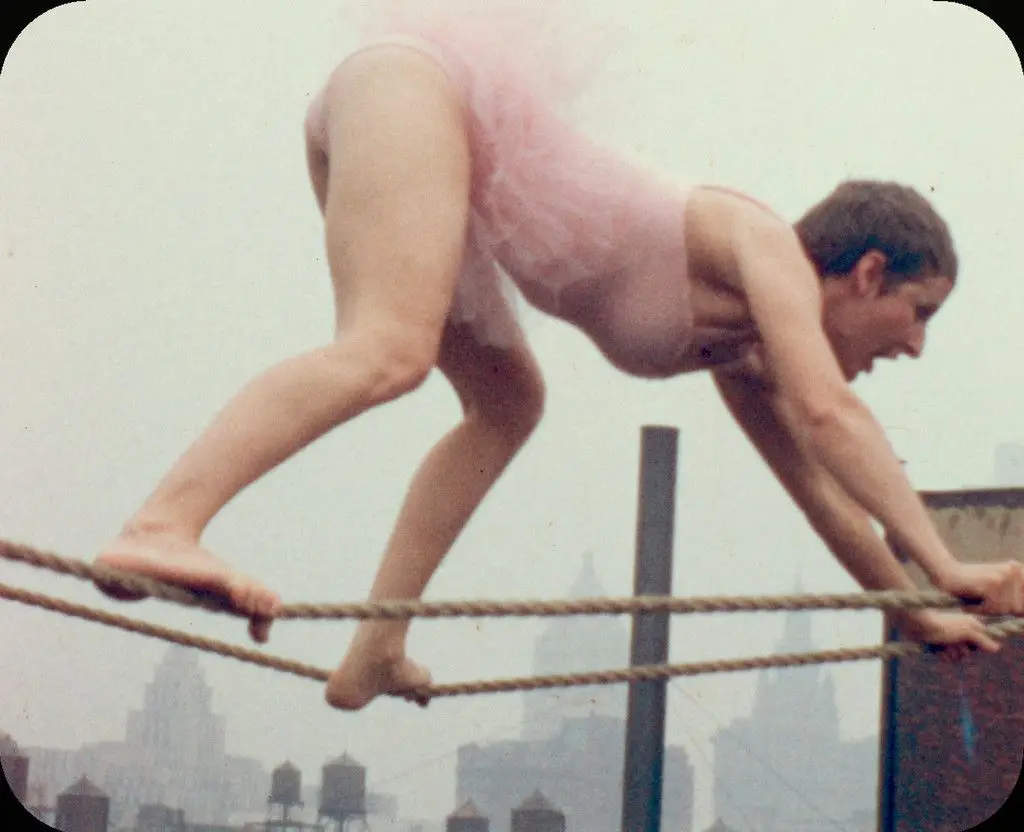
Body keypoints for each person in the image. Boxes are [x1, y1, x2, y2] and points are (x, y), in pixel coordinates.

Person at [94, 0, 1024, 710]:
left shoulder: (740, 350)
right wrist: (943, 562)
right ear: (865, 273)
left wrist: (910, 607)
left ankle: (375, 646)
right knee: (389, 351)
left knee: (506, 405)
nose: (914, 347)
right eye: (919, 312)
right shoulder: (763, 244)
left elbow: (823, 487)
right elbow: (834, 416)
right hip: (420, 93)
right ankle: (163, 524)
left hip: (428, 140)